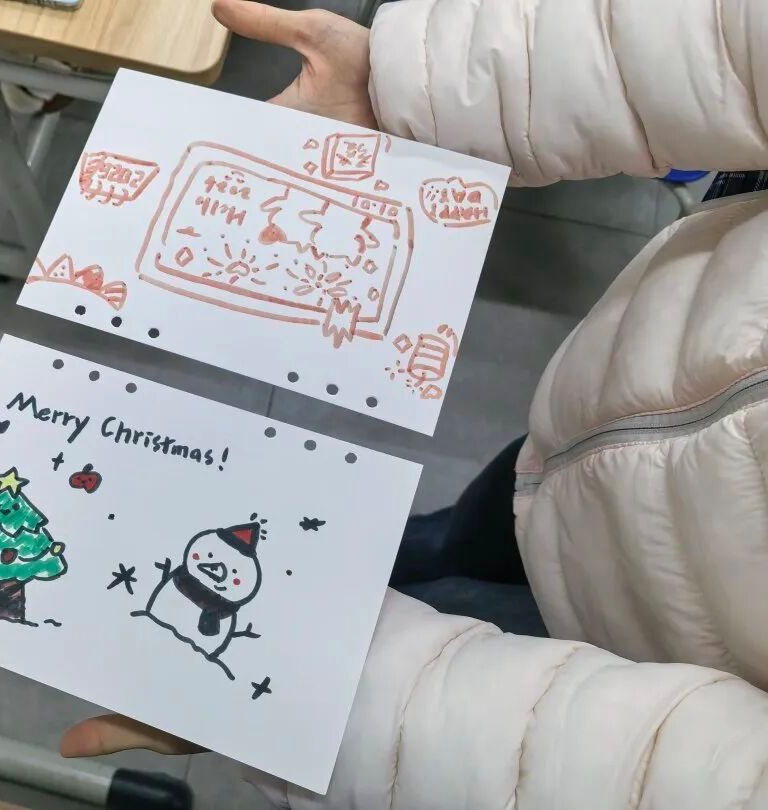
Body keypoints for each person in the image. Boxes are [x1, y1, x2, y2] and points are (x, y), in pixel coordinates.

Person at [60, 0, 768, 805]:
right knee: (456, 534)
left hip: (656, 657)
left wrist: (315, 698)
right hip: (613, 420)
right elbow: (727, 38)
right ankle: (397, 556)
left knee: (457, 600)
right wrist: (416, 91)